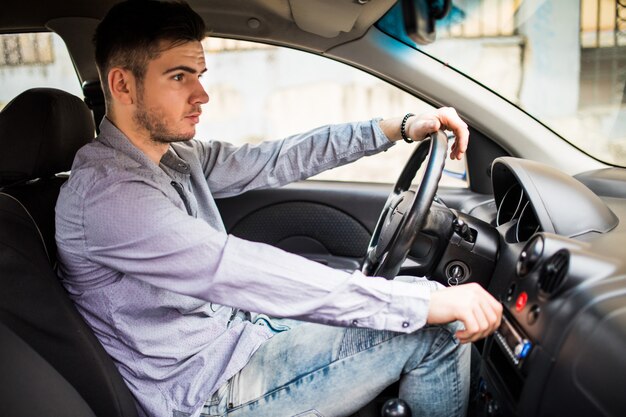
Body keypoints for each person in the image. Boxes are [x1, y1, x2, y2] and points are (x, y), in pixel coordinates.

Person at [55, 1, 502, 417]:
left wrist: (395, 128)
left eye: (199, 74)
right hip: (206, 392)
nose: (202, 95)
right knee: (438, 331)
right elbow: (231, 268)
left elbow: (278, 158)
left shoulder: (173, 155)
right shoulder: (107, 196)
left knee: (420, 307)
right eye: (179, 77)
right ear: (122, 85)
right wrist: (421, 301)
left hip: (242, 338)